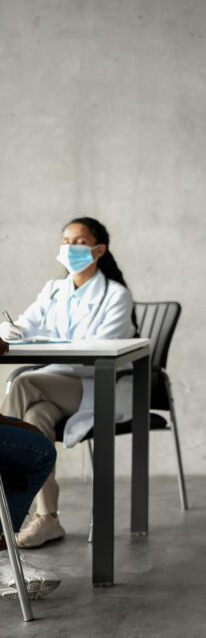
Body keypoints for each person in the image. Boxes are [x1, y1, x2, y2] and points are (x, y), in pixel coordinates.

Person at [0, 217, 134, 549]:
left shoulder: (116, 295)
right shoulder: (53, 289)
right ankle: (47, 518)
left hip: (95, 386)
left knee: (23, 384)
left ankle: (4, 513)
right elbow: (24, 324)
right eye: (65, 241)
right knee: (34, 419)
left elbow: (99, 352)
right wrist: (9, 331)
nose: (69, 248)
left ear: (99, 249)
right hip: (55, 384)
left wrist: (45, 340)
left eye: (78, 241)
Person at [0, 337, 62, 599]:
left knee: (34, 415)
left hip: (76, 379)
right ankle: (3, 556)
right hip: (51, 374)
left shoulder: (115, 295)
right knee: (39, 451)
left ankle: (47, 518)